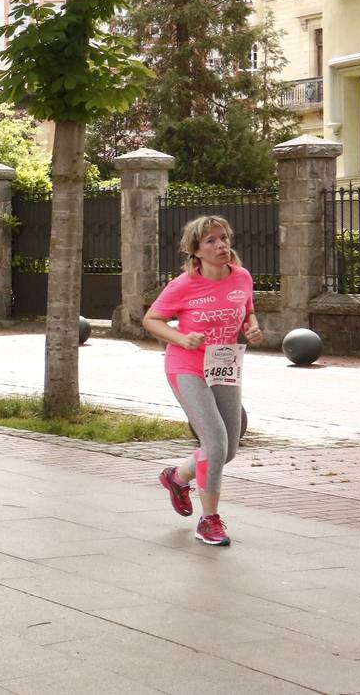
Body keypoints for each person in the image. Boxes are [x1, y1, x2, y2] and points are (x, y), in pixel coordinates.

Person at [145, 215, 261, 547]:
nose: (221, 245)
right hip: (186, 367)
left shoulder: (241, 277)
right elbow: (152, 319)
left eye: (223, 238)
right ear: (196, 250)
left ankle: (177, 477)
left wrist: (252, 325)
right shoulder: (183, 285)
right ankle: (208, 520)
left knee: (229, 447)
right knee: (215, 443)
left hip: (224, 366)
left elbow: (247, 309)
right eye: (211, 241)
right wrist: (181, 339)